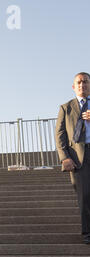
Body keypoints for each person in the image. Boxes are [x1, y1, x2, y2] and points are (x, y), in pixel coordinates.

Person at [55, 72, 90, 245]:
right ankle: (87, 234)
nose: (82, 85)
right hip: (78, 157)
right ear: (73, 87)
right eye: (79, 82)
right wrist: (64, 158)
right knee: (84, 196)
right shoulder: (65, 108)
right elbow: (60, 135)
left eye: (85, 82)